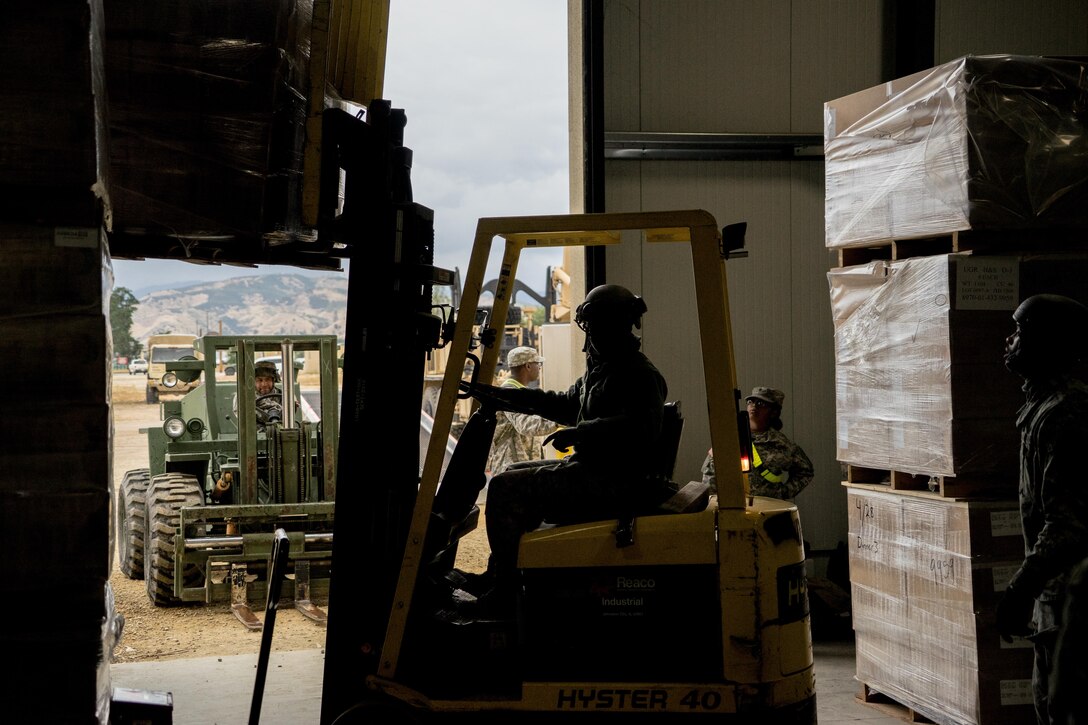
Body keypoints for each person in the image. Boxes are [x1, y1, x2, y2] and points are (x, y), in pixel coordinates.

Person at [463, 284, 668, 608]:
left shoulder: (639, 374)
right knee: (511, 472)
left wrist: (582, 433)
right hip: (594, 470)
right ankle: (501, 575)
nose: (587, 343)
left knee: (503, 487)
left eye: (594, 331)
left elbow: (643, 427)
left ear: (613, 328)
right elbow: (562, 403)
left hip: (614, 481)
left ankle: (505, 589)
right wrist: (497, 395)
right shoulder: (602, 371)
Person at [995, 294, 1088, 725]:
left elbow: (1067, 523)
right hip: (1054, 592)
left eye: (1020, 332)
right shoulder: (1041, 407)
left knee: (1061, 708)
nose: (1010, 341)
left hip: (1072, 592)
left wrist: (1020, 588)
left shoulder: (1067, 413)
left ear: (1045, 343)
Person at [700, 387, 814, 500]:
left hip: (768, 511)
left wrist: (782, 493)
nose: (754, 406)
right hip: (735, 507)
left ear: (773, 412)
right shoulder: (730, 440)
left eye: (761, 403)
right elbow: (711, 472)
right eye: (750, 402)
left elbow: (805, 471)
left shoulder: (781, 444)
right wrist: (714, 502)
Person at [486, 346, 556, 476]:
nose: (539, 367)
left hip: (522, 468)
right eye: (537, 363)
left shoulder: (519, 392)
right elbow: (526, 425)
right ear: (528, 366)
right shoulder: (509, 394)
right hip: (512, 469)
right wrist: (558, 419)